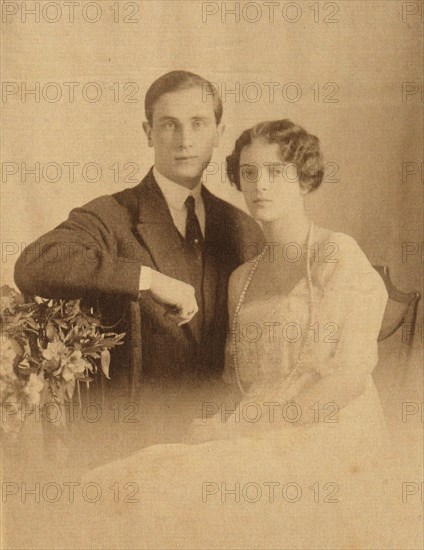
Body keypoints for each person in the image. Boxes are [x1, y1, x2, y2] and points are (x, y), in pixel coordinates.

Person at [73, 120, 393, 549]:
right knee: (114, 482)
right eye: (248, 172)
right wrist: (224, 424)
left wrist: (245, 428)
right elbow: (235, 381)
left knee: (174, 494)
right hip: (252, 430)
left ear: (305, 179)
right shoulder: (242, 278)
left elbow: (348, 380)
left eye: (276, 172)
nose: (260, 184)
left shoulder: (336, 254)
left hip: (330, 437)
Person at [13, 71, 264, 447]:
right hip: (128, 444)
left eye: (198, 123)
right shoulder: (112, 214)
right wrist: (147, 278)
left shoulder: (244, 228)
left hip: (218, 444)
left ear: (219, 132)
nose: (184, 140)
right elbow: (35, 264)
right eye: (168, 125)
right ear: (148, 132)